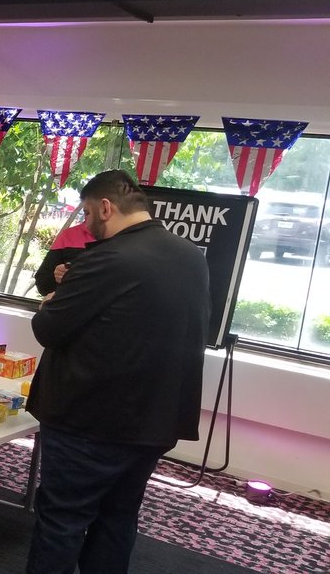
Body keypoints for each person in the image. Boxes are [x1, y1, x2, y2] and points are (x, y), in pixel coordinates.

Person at [26, 170, 210, 574]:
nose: (86, 224)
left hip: (90, 422)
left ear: (106, 207)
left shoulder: (107, 258)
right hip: (154, 421)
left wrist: (51, 303)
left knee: (62, 520)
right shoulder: (191, 257)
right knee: (118, 518)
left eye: (88, 213)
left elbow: (48, 328)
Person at [33, 222, 97, 296]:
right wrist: (57, 276)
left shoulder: (112, 243)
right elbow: (42, 284)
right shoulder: (69, 235)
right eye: (87, 212)